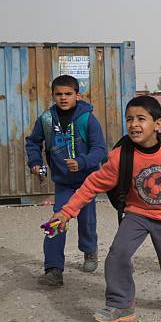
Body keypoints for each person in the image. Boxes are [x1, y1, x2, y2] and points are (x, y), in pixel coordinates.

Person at [46, 95, 161, 322]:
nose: (134, 124)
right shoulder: (120, 156)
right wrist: (67, 212)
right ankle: (120, 304)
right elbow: (92, 184)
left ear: (157, 124)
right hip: (137, 213)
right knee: (118, 254)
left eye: (141, 119)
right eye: (129, 119)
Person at [25, 75, 107, 286]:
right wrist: (35, 162)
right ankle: (53, 269)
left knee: (87, 222)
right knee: (56, 222)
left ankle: (89, 251)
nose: (63, 98)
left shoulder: (87, 119)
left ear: (77, 95)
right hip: (63, 183)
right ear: (52, 96)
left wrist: (82, 161)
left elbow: (100, 150)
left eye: (68, 94)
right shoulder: (46, 119)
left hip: (87, 183)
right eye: (59, 94)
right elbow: (33, 142)